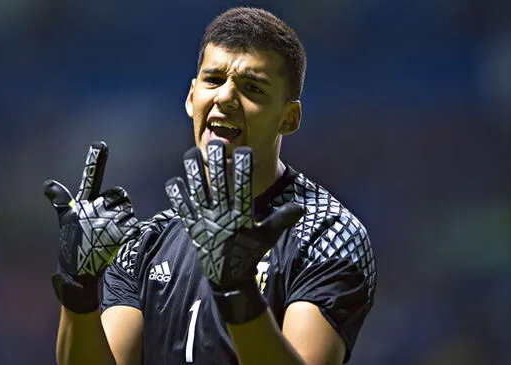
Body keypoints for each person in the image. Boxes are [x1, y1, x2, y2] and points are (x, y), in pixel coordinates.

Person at [43, 7, 376, 365]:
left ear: (289, 117)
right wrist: (79, 289)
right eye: (214, 80)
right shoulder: (147, 242)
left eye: (252, 88)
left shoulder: (327, 233)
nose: (225, 98)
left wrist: (239, 294)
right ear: (191, 98)